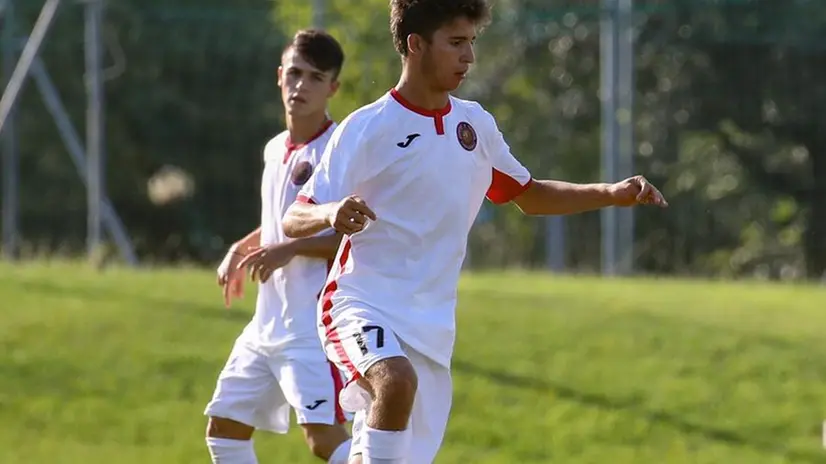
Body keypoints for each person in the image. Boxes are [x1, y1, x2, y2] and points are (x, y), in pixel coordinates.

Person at [281, 1, 669, 462]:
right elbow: (294, 218)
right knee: (395, 379)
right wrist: (329, 213)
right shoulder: (368, 128)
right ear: (416, 44)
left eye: (472, 43)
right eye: (456, 43)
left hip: (431, 326)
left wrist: (612, 191)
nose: (469, 57)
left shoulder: (474, 126)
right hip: (359, 303)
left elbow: (531, 194)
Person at [205, 29, 352, 464]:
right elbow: (277, 222)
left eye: (314, 77)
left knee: (323, 441)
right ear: (279, 76)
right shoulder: (274, 148)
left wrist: (292, 251)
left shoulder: (340, 149)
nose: (300, 86)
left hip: (312, 325)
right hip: (265, 325)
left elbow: (357, 236)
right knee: (225, 432)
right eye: (294, 73)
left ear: (333, 88)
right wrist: (239, 248)